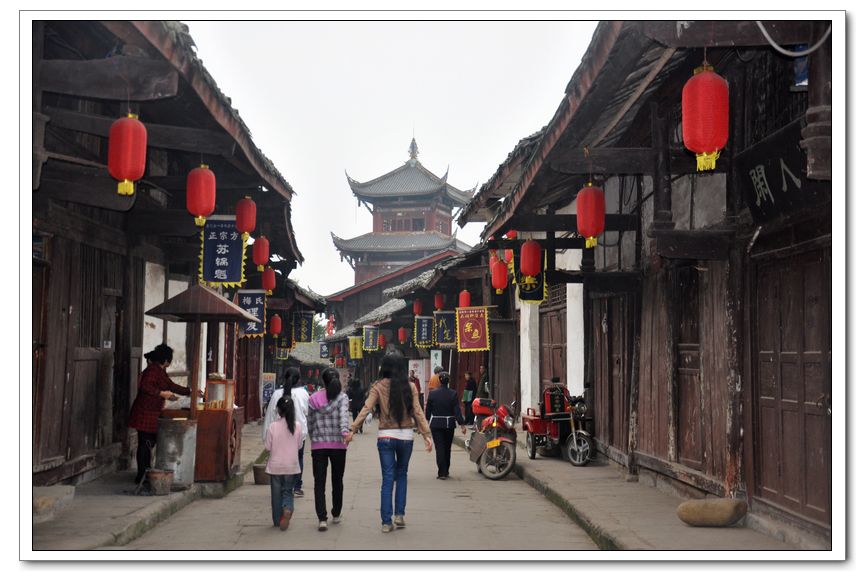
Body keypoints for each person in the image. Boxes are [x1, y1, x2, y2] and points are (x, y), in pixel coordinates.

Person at [345, 354, 432, 533]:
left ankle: (386, 522)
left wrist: (352, 429)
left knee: (387, 478)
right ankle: (399, 515)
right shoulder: (410, 386)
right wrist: (426, 434)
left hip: (385, 437)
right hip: (406, 437)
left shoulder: (378, 386)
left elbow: (366, 408)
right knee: (402, 475)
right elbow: (417, 411)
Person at [128, 344, 192, 487]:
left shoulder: (160, 371)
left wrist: (190, 391)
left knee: (148, 443)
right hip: (145, 411)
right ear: (166, 360)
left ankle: (145, 473)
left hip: (152, 412)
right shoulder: (153, 370)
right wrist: (162, 394)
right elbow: (145, 386)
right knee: (145, 443)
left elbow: (171, 385)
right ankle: (142, 475)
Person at [307, 368, 351, 532]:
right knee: (337, 480)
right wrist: (344, 433)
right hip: (338, 445)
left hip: (319, 445)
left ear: (323, 382)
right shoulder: (342, 397)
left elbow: (310, 422)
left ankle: (322, 519)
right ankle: (336, 513)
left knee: (319, 482)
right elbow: (344, 417)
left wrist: (313, 437)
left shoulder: (313, 399)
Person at [264, 367, 309, 496]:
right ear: (298, 379)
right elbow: (307, 412)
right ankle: (296, 486)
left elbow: (270, 415)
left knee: (279, 456)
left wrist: (266, 434)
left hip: (278, 432)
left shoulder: (277, 394)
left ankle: (281, 485)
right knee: (298, 458)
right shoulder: (304, 394)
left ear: (284, 378)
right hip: (298, 432)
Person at [265, 396, 303, 531]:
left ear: (279, 410)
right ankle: (287, 508)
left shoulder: (273, 426)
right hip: (291, 466)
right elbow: (299, 445)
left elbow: (267, 447)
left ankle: (277, 520)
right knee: (287, 491)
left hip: (275, 466)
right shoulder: (297, 426)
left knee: (276, 495)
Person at [425, 372, 466, 480]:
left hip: (436, 424)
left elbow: (428, 410)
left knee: (440, 448)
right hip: (449, 424)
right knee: (447, 448)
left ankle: (441, 472)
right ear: (449, 381)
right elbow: (457, 410)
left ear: (439, 380)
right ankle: (446, 470)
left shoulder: (432, 394)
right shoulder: (453, 393)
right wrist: (462, 424)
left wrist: (427, 420)